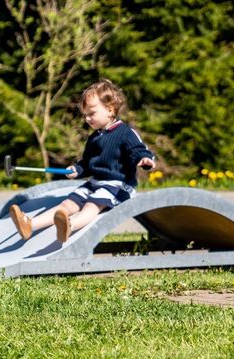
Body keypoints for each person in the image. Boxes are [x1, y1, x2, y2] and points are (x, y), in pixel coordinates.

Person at [10, 79, 156, 244]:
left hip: (118, 186)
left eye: (91, 113)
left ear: (110, 110)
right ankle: (30, 224)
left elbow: (139, 150)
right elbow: (86, 164)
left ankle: (70, 226)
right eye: (85, 115)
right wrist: (77, 169)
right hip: (94, 183)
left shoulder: (126, 133)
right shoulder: (94, 138)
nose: (87, 119)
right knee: (67, 204)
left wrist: (145, 159)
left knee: (92, 205)